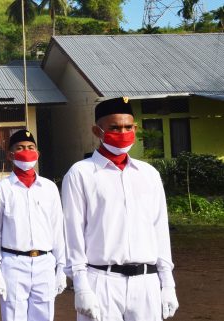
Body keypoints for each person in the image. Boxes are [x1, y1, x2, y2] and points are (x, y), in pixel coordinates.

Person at [63, 97, 178, 321]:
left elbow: (160, 231)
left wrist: (168, 284)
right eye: (114, 127)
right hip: (102, 280)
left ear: (135, 128)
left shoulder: (148, 174)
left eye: (128, 127)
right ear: (98, 131)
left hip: (146, 282)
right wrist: (81, 286)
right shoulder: (81, 174)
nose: (122, 132)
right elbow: (73, 233)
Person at [0, 129, 67, 321]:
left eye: (31, 147)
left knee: (44, 316)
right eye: (20, 148)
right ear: (10, 155)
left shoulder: (49, 188)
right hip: (13, 263)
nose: (26, 151)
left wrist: (61, 268)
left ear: (37, 154)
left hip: (45, 263)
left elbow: (57, 230)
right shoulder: (2, 189)